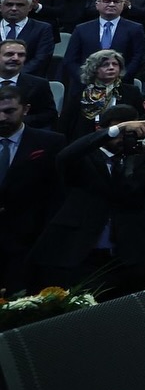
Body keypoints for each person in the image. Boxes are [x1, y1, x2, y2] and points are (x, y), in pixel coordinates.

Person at [30, 106, 145, 297]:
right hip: (83, 253)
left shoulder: (140, 158)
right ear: (101, 130)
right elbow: (65, 157)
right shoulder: (84, 156)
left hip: (129, 254)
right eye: (120, 133)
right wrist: (116, 129)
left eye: (129, 133)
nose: (124, 138)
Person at [0, 84, 66, 293]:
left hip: (30, 239)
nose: (1, 117)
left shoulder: (50, 142)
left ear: (25, 109)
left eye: (9, 111)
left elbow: (58, 193)